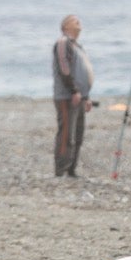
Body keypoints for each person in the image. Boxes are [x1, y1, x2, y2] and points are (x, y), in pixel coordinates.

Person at [51, 14, 93, 177]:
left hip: (79, 96)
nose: (79, 23)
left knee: (78, 134)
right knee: (67, 133)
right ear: (65, 27)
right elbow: (64, 68)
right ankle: (61, 169)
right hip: (67, 96)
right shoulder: (63, 43)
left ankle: (71, 168)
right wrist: (73, 90)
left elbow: (81, 72)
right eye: (75, 21)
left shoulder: (77, 46)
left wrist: (86, 96)